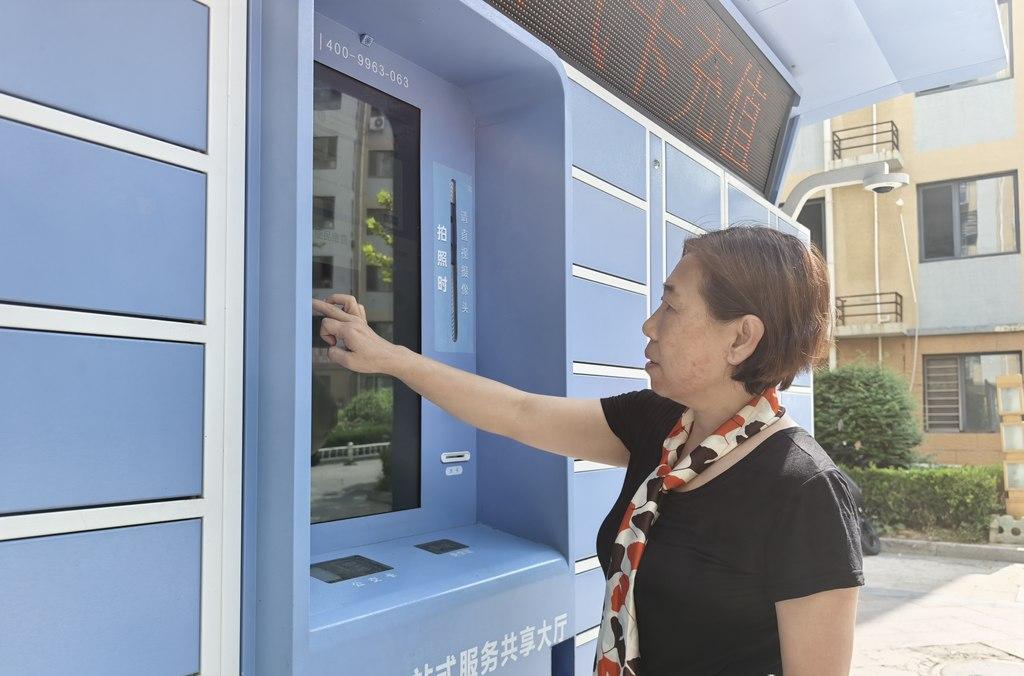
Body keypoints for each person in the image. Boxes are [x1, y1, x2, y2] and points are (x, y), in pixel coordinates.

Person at [313, 226, 864, 676]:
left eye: (671, 306)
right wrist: (389, 358)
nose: (649, 324)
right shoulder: (659, 425)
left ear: (740, 338)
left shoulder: (804, 490)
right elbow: (519, 412)